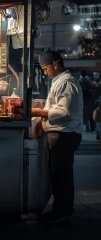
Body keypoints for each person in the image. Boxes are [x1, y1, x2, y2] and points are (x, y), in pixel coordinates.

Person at [32, 51, 83, 225]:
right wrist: (41, 121)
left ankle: (63, 212)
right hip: (59, 133)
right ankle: (61, 209)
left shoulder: (67, 83)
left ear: (55, 64)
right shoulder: (58, 82)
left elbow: (64, 112)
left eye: (46, 68)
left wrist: (38, 112)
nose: (45, 72)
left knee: (61, 175)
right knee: (58, 174)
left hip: (64, 134)